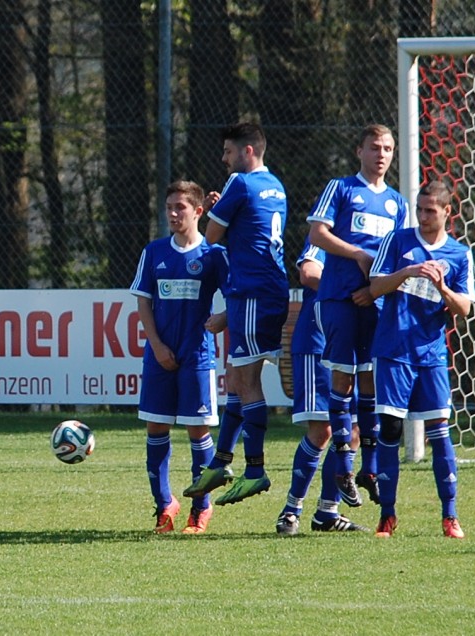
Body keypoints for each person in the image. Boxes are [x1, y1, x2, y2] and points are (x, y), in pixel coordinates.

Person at [183, 122, 290, 506]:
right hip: (268, 289)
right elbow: (249, 228)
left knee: (246, 383)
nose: (223, 158)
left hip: (254, 293)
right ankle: (221, 460)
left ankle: (255, 470)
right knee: (237, 378)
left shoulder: (240, 183)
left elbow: (211, 236)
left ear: (248, 151)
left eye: (229, 152)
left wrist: (217, 209)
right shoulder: (275, 185)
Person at [306, 124, 409, 510]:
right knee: (343, 379)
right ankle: (344, 467)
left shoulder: (398, 204)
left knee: (370, 383)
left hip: (375, 303)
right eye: (374, 147)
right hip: (339, 297)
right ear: (359, 151)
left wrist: (379, 290)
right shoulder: (341, 188)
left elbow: (401, 252)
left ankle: (368, 468)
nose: (381, 155)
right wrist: (358, 255)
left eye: (388, 149)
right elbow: (317, 234)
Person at [366, 180, 474, 539]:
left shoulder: (459, 254)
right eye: (420, 209)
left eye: (431, 210)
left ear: (447, 212)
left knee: (439, 432)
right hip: (393, 350)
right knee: (390, 430)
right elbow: (375, 287)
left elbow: (464, 308)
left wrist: (442, 287)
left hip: (431, 354)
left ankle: (450, 516)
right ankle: (387, 515)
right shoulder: (398, 242)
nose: (424, 216)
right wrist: (407, 272)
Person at [130, 181, 229, 534]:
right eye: (169, 207)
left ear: (198, 211)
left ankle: (201, 507)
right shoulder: (154, 252)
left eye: (180, 208)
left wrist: (224, 317)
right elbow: (143, 301)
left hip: (197, 355)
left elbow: (237, 294)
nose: (172, 214)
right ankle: (164, 505)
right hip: (159, 354)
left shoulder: (213, 254)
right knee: (156, 427)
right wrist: (156, 345)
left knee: (198, 430)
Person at [274, 241, 365, 535]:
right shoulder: (328, 235)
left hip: (355, 344)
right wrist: (350, 287)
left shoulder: (377, 236)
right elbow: (309, 273)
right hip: (319, 343)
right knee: (323, 429)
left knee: (353, 430)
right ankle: (291, 511)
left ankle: (327, 512)